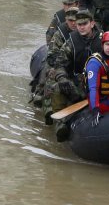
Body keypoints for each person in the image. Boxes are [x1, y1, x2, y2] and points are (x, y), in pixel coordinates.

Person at [42, 9, 102, 140]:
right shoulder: (71, 42)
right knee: (57, 88)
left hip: (99, 84)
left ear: (92, 24)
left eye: (84, 24)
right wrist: (62, 78)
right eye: (79, 24)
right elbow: (60, 63)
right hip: (78, 84)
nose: (81, 27)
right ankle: (60, 124)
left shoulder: (103, 41)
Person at [30, 7, 78, 107]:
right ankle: (40, 93)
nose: (73, 23)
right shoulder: (59, 34)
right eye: (71, 20)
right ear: (66, 20)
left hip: (78, 64)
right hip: (61, 63)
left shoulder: (85, 32)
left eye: (76, 20)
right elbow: (53, 55)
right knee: (49, 69)